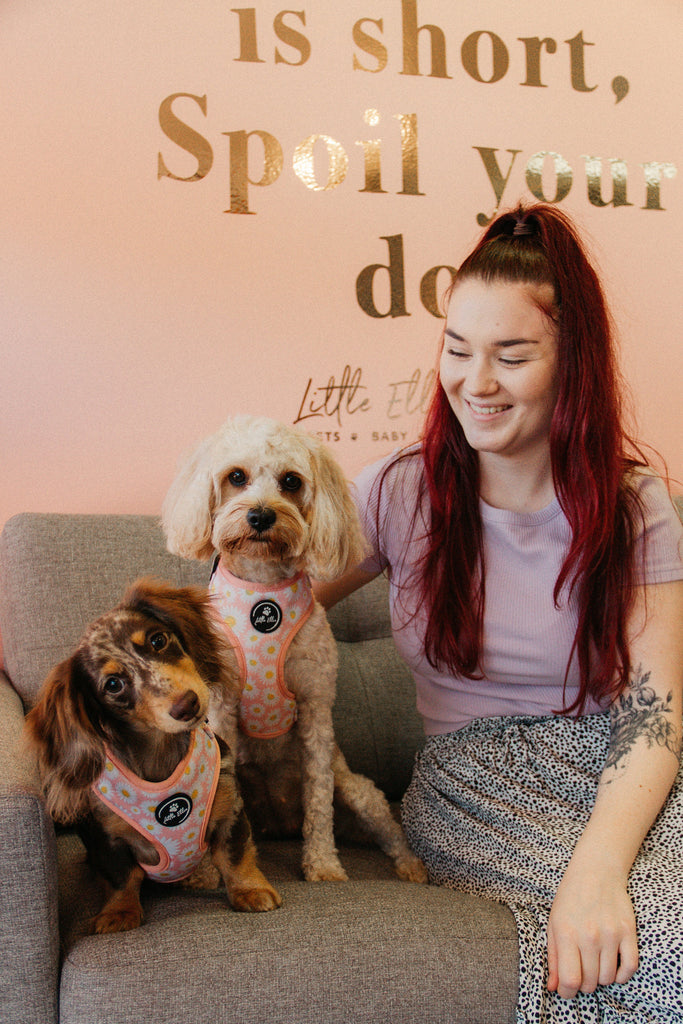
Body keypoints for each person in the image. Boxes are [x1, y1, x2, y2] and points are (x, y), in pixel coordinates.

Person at [314, 203, 683, 1023]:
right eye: (456, 349)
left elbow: (654, 719)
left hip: (618, 775)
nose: (473, 383)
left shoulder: (633, 507)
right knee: (659, 950)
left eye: (509, 355)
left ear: (570, 363)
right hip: (473, 784)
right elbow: (259, 608)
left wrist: (598, 865)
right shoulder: (396, 491)